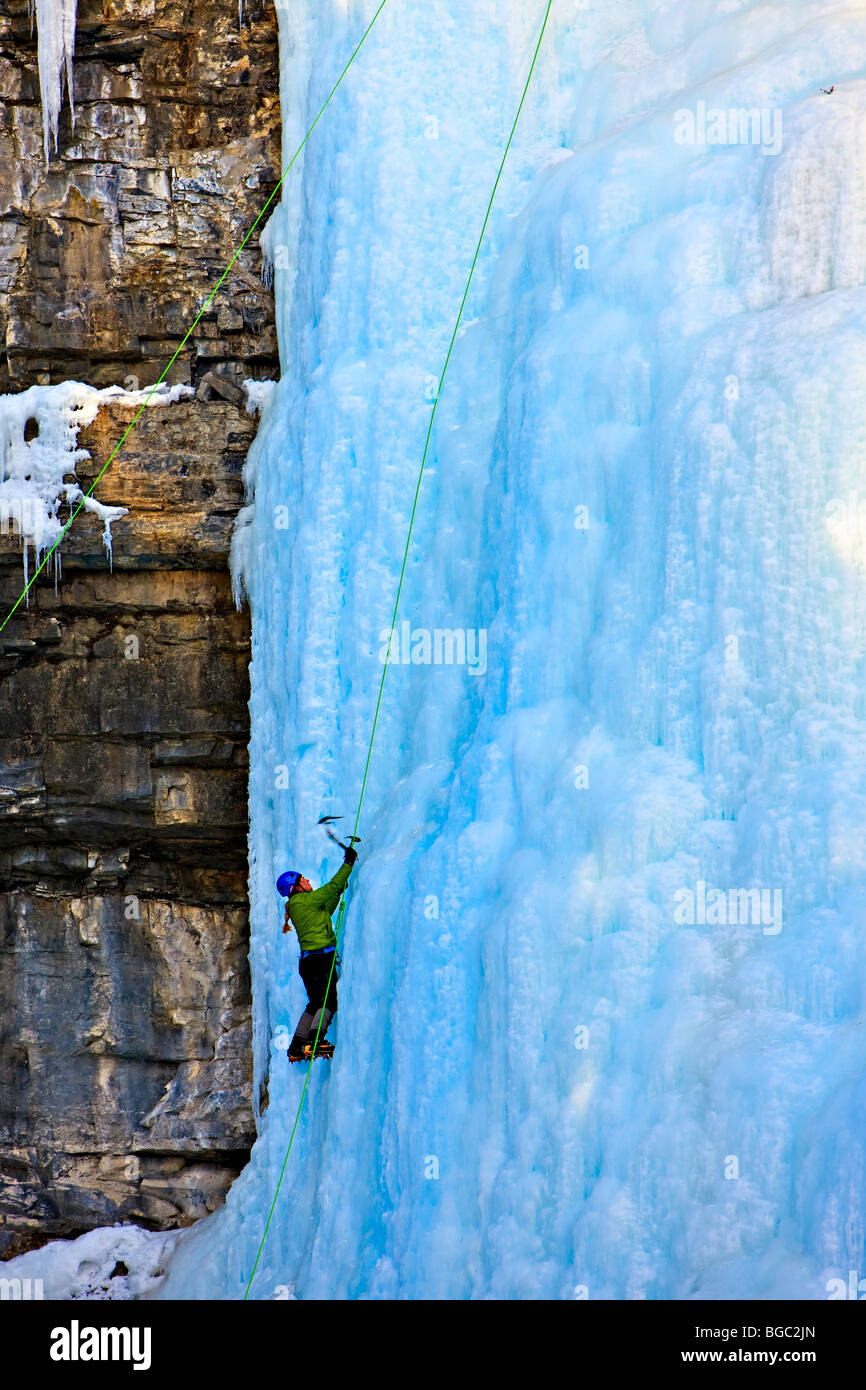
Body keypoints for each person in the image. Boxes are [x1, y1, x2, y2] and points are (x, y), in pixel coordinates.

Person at [277, 842, 358, 1060]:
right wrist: (348, 864)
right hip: (321, 959)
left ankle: (297, 1046)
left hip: (309, 962)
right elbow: (330, 888)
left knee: (315, 1004)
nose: (308, 881)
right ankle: (315, 1042)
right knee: (329, 1001)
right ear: (295, 887)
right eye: (302, 880)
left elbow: (327, 906)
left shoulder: (301, 905)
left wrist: (340, 888)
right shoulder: (302, 901)